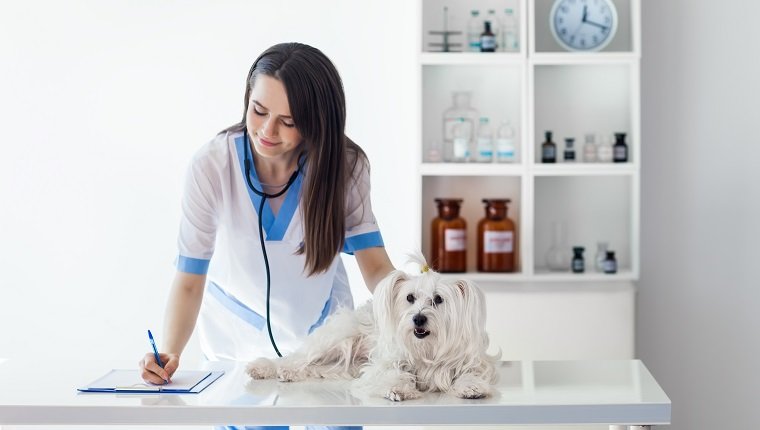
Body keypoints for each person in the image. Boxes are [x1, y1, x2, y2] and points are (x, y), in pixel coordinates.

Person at [139, 42, 395, 430]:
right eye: (258, 111)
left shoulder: (345, 165)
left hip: (326, 344)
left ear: (317, 122)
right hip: (239, 346)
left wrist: (419, 311)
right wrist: (169, 352)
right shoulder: (211, 165)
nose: (266, 131)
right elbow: (190, 279)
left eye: (288, 121)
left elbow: (375, 266)